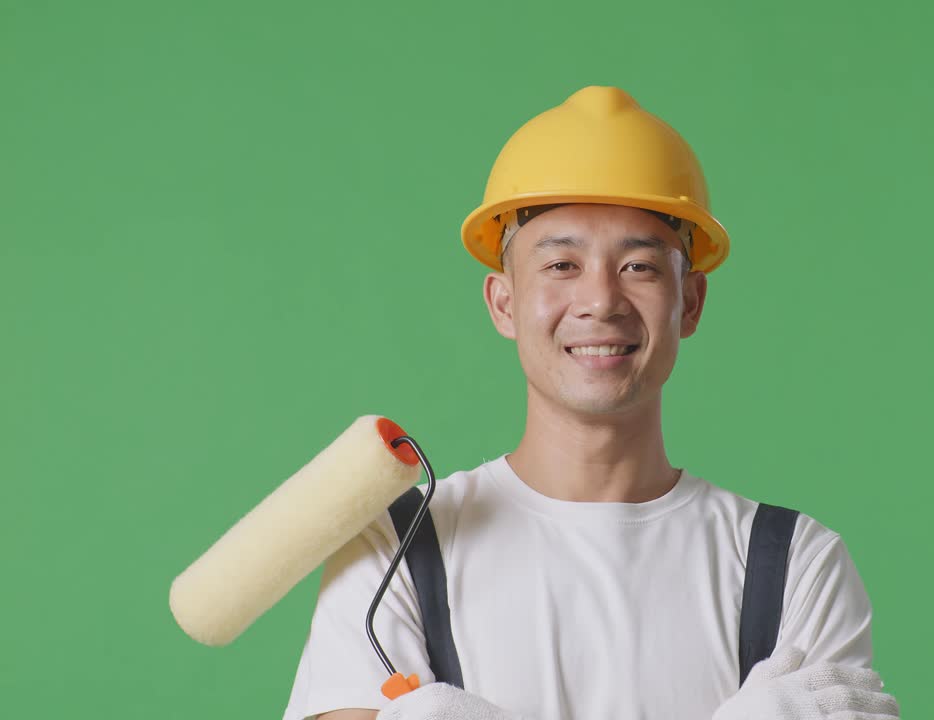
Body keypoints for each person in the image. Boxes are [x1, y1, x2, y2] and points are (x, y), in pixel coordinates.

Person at [282, 86, 900, 720]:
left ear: (690, 303)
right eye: (561, 265)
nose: (601, 301)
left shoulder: (798, 564)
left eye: (639, 267)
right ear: (503, 302)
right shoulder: (395, 547)